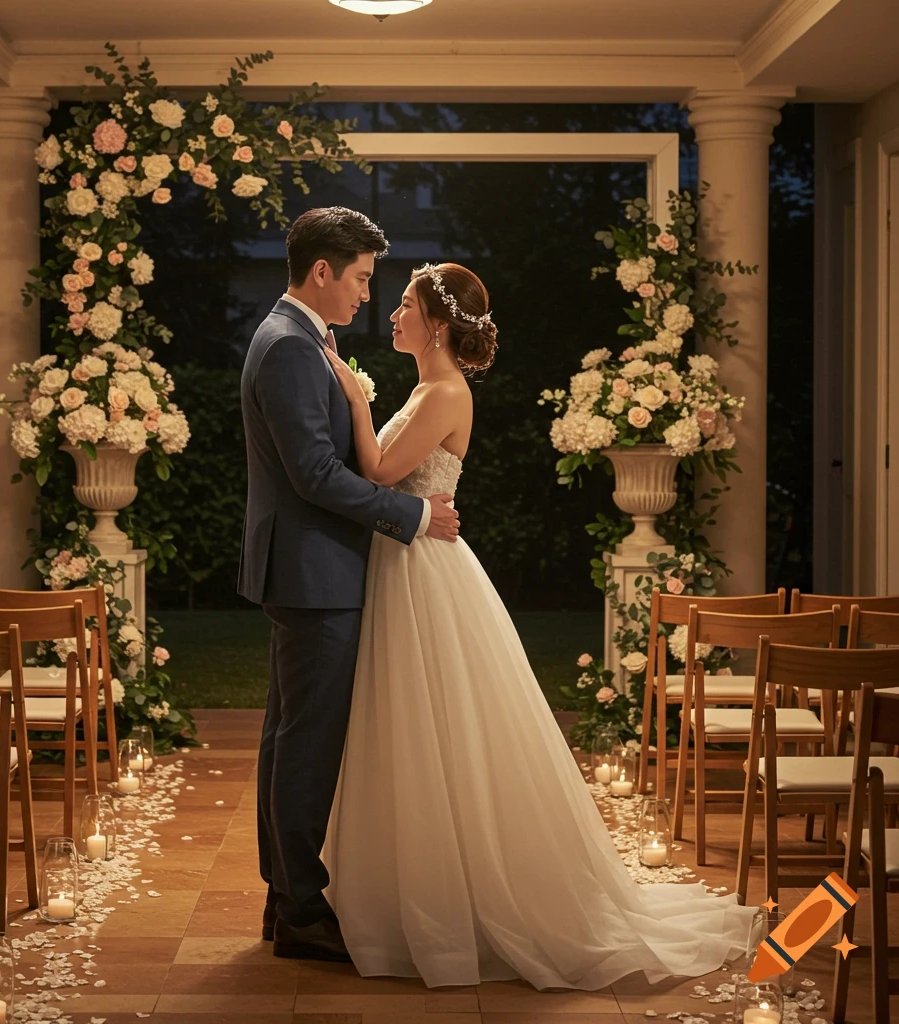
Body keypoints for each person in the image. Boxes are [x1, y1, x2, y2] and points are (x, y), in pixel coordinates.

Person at [321, 261, 755, 990]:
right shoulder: (431, 387)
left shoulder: (443, 390)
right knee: (411, 726)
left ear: (437, 321)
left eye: (403, 304)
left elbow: (375, 470)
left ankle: (453, 901)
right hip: (409, 563)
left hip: (425, 576)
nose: (391, 314)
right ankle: (406, 894)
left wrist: (353, 395)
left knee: (438, 726)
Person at [237, 207, 460, 963]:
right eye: (362, 278)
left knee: (286, 738)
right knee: (307, 745)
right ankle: (300, 907)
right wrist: (411, 515)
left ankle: (285, 897)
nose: (368, 294)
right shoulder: (291, 348)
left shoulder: (298, 338)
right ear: (323, 271)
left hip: (309, 569)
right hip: (314, 571)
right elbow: (316, 475)